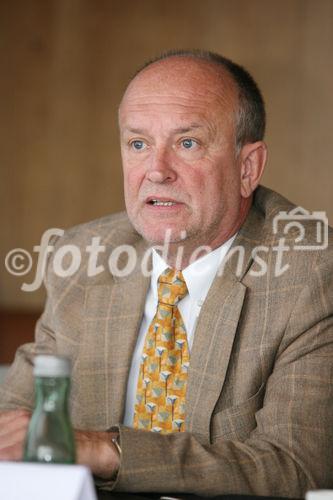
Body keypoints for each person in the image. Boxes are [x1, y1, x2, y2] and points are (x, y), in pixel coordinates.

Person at [0, 50, 332, 497]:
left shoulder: (312, 272)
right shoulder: (81, 256)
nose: (156, 170)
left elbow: (297, 467)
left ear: (247, 167)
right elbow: (17, 417)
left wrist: (109, 450)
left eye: (188, 143)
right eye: (138, 144)